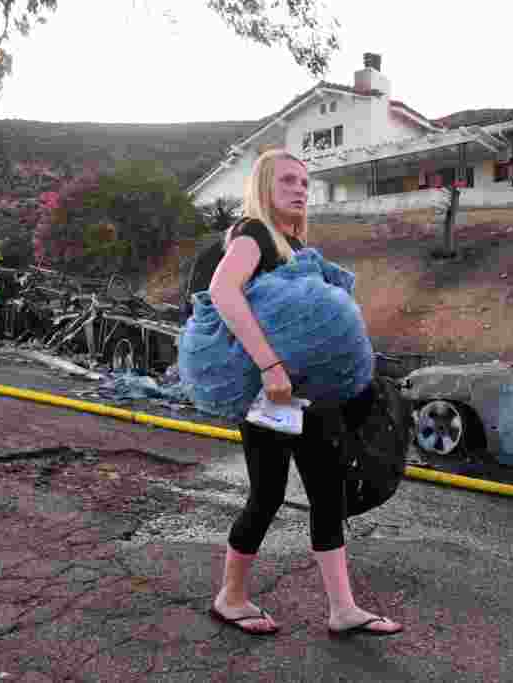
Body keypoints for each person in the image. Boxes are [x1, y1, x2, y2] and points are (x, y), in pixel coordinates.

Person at [177, 147, 403, 638]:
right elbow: (222, 292)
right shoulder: (253, 233)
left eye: (305, 183)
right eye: (288, 182)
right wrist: (271, 365)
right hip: (269, 393)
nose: (300, 190)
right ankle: (230, 597)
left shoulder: (295, 249)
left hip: (309, 395)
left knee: (328, 493)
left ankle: (343, 609)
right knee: (268, 494)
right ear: (264, 188)